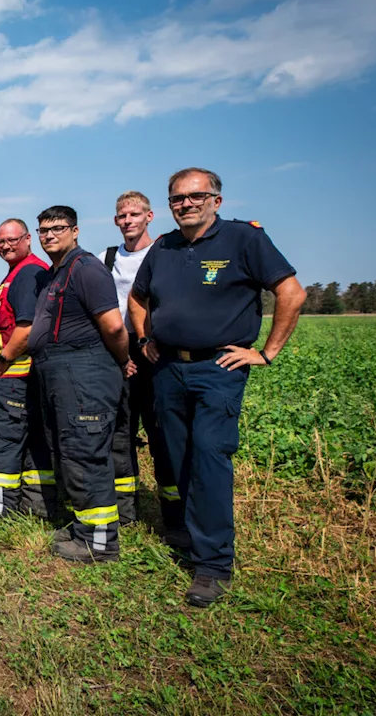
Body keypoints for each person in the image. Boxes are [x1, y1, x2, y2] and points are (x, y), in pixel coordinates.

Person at [129, 167, 304, 607]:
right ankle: (192, 537)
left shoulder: (244, 240)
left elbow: (291, 293)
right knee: (176, 456)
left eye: (194, 197)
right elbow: (137, 297)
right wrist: (147, 339)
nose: (185, 204)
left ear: (216, 201)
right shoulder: (163, 248)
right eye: (176, 199)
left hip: (217, 370)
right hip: (169, 368)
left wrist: (266, 352)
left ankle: (213, 565)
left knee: (209, 458)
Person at [28, 206, 132, 563]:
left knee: (86, 454)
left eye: (57, 228)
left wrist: (121, 361)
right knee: (72, 453)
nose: (49, 235)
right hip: (63, 371)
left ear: (75, 230)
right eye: (43, 230)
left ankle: (100, 544)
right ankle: (84, 528)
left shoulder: (86, 269)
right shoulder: (57, 273)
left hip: (85, 370)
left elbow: (115, 327)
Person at [0, 220, 55, 526]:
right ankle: (38, 504)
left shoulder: (28, 273)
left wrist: (2, 359)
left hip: (15, 374)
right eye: (0, 242)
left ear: (28, 239)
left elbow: (26, 327)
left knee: (1, 440)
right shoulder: (18, 273)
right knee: (33, 441)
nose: (5, 246)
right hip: (20, 376)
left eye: (11, 240)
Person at [100, 192, 175, 530]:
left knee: (161, 433)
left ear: (149, 216)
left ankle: (173, 514)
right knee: (120, 433)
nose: (127, 221)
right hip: (118, 349)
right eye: (121, 216)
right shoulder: (106, 258)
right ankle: (125, 511)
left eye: (134, 214)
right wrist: (119, 355)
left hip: (155, 350)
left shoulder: (165, 254)